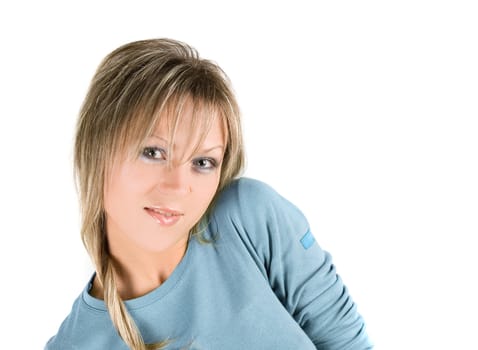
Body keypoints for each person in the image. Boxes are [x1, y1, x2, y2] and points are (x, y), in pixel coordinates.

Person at [45, 38, 372, 350]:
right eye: (153, 152)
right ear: (96, 150)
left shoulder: (250, 218)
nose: (177, 186)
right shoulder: (76, 343)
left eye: (203, 162)